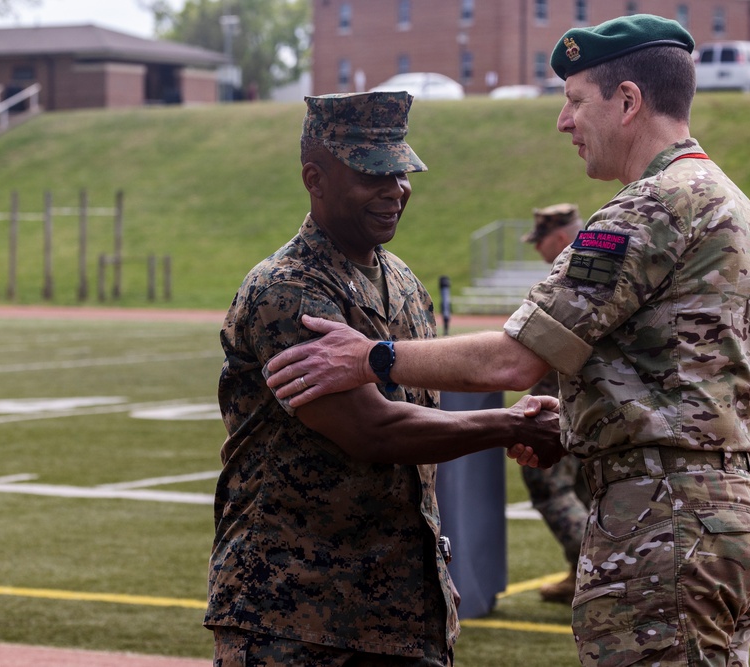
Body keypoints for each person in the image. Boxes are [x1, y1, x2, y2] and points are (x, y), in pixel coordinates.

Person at [265, 15, 750, 667]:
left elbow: (514, 356)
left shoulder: (645, 210)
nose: (563, 122)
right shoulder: (732, 205)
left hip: (664, 521)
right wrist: (574, 423)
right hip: (730, 514)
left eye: (573, 101)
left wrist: (370, 355)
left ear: (627, 101)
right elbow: (682, 373)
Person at [204, 90, 563, 667]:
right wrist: (507, 425)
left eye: (401, 172)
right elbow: (373, 430)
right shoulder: (288, 291)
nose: (395, 189)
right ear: (314, 178)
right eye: (373, 174)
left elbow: (430, 394)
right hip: (295, 615)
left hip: (402, 608)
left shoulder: (401, 281)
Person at [519, 203, 590, 605]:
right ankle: (583, 573)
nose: (537, 249)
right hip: (588, 402)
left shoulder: (569, 278)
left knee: (551, 490)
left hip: (557, 404)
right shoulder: (598, 268)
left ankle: (591, 573)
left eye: (540, 241)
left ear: (560, 238)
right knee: (584, 493)